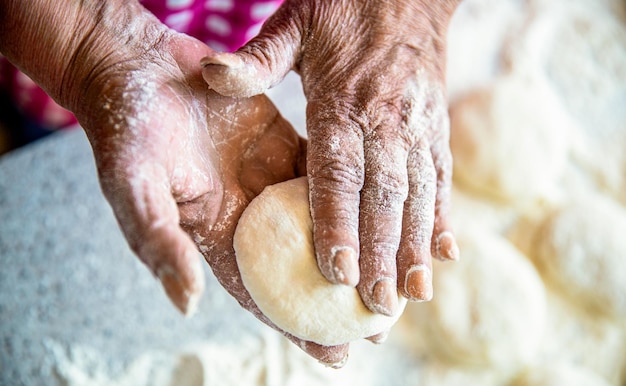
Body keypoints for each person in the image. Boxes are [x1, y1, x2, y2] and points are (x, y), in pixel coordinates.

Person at [0, 0, 460, 367]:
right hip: (50, 29)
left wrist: (414, 8)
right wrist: (85, 44)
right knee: (42, 155)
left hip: (241, 33)